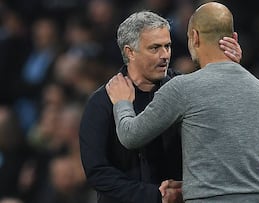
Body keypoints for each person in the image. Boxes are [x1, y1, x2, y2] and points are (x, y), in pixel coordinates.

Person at [106, 2, 259, 203]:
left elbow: (130, 135)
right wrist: (192, 185)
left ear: (195, 37)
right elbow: (238, 162)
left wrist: (122, 103)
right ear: (233, 39)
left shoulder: (184, 88)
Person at [79, 10, 242, 203]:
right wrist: (157, 196)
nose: (165, 55)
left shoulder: (184, 88)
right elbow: (98, 171)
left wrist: (230, 70)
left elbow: (220, 120)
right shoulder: (102, 102)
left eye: (168, 46)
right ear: (130, 52)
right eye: (155, 48)